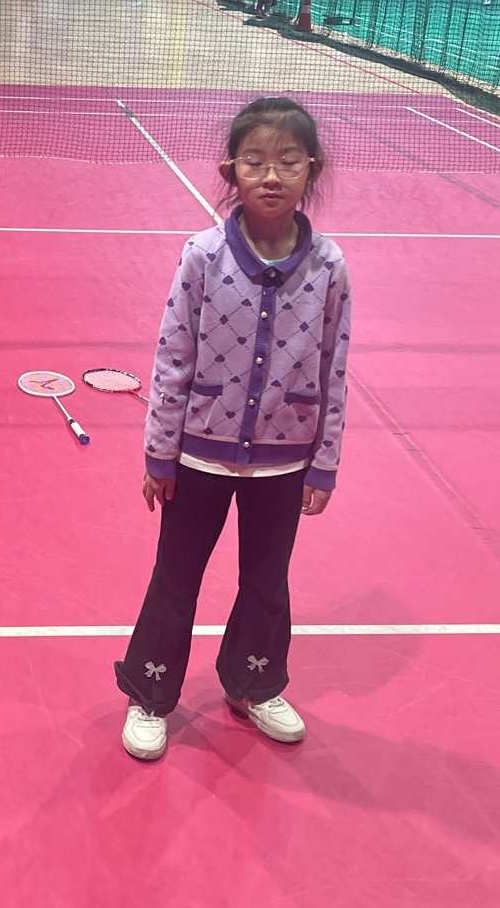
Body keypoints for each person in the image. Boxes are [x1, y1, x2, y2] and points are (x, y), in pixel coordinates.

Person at [115, 96, 351, 761]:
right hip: (199, 457)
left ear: (312, 170)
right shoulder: (202, 256)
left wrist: (325, 460)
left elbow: (334, 366)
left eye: (288, 161)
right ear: (231, 170)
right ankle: (150, 693)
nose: (271, 175)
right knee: (176, 576)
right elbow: (173, 357)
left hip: (285, 460)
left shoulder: (330, 266)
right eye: (255, 161)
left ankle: (253, 682)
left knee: (267, 580)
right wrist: (160, 453)